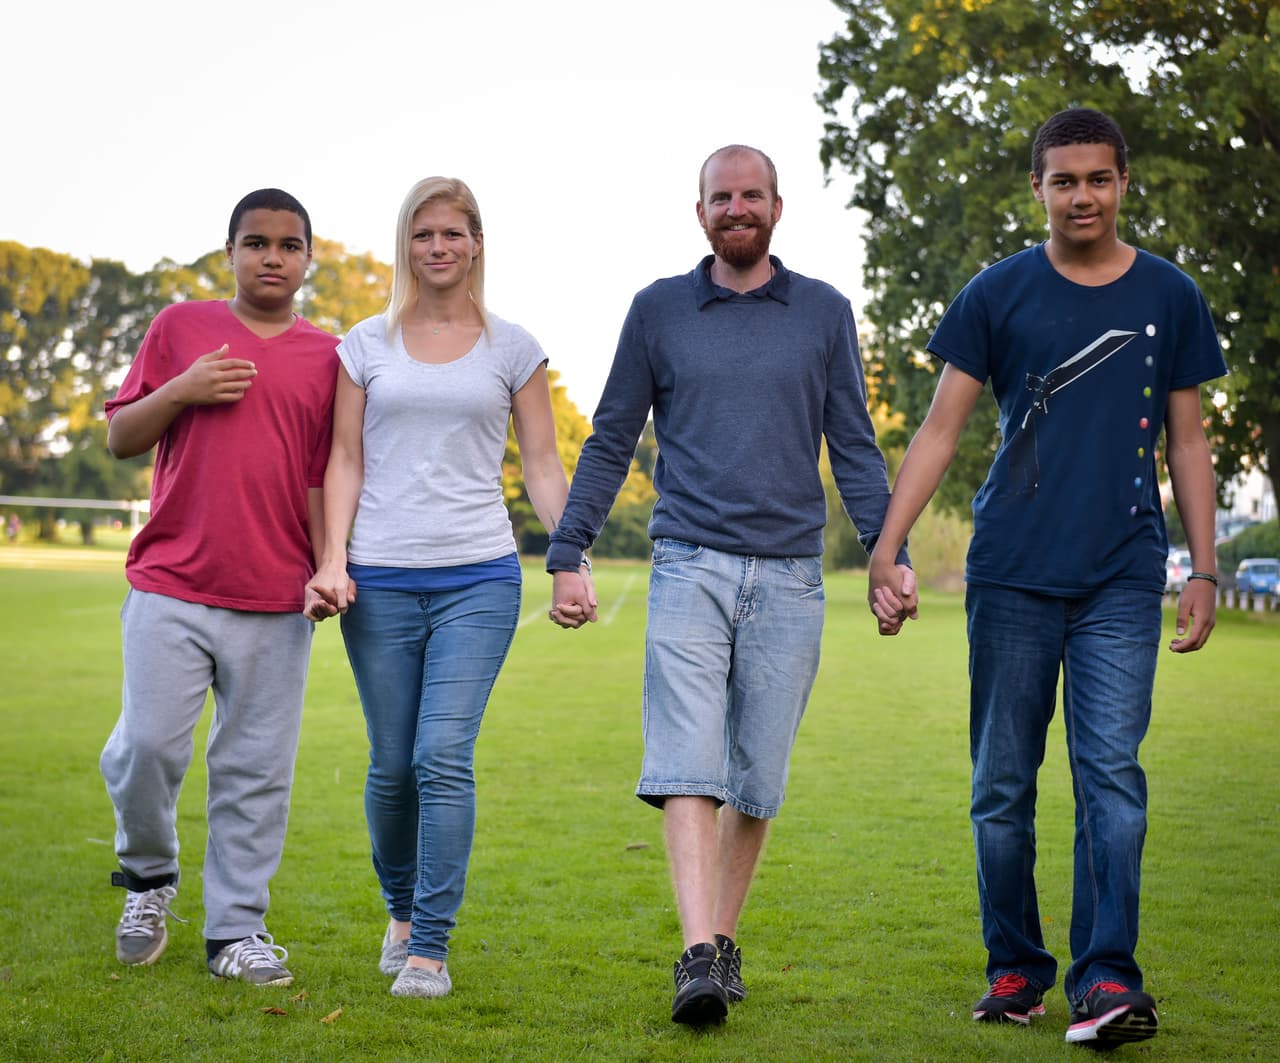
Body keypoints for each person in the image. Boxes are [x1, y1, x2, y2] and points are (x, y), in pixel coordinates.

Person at [867, 108, 1226, 1049]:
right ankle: (1016, 967)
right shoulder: (996, 293)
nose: (1082, 196)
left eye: (1098, 178)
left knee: (1111, 777)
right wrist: (887, 545)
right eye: (1064, 180)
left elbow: (1189, 441)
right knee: (1001, 784)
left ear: (1122, 183)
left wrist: (1204, 568)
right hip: (1014, 573)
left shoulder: (1170, 296)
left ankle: (1107, 976)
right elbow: (941, 428)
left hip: (1122, 574)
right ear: (1038, 188)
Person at [547, 145, 911, 1026]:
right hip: (688, 565)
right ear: (699, 211)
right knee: (687, 764)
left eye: (751, 194)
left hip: (791, 576)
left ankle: (721, 941)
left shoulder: (823, 312)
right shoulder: (658, 310)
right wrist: (568, 549)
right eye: (721, 196)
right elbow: (610, 440)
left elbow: (854, 444)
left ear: (778, 208)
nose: (736, 207)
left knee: (756, 778)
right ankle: (696, 952)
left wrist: (885, 547)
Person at [305, 177, 575, 1000]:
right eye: (424, 233)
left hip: (479, 577)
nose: (439, 246)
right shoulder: (364, 344)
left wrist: (571, 556)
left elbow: (541, 460)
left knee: (441, 757)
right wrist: (332, 558)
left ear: (478, 242)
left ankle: (428, 947)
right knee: (392, 767)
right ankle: (399, 912)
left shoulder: (513, 347)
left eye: (453, 232)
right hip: (379, 578)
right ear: (406, 244)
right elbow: (342, 460)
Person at [100, 188, 339, 986]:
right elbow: (121, 437)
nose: (272, 256)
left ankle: (234, 930)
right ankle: (147, 877)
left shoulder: (329, 357)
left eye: (288, 244)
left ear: (309, 257)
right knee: (147, 748)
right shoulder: (180, 329)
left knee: (255, 771)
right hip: (170, 581)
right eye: (256, 242)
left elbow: (319, 478)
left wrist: (326, 565)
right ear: (229, 251)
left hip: (276, 599)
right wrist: (182, 389)